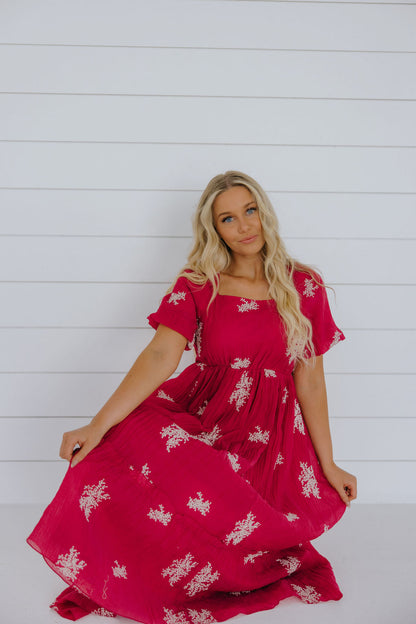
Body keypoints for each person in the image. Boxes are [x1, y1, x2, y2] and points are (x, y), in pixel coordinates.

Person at [26, 170, 357, 623]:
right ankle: (138, 568)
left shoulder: (303, 286)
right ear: (213, 229)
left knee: (236, 530)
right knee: (121, 438)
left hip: (268, 437)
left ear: (264, 212)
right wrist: (97, 425)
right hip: (207, 415)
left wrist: (329, 463)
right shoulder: (200, 283)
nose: (244, 226)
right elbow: (161, 354)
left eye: (250, 210)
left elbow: (311, 380)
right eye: (228, 218)